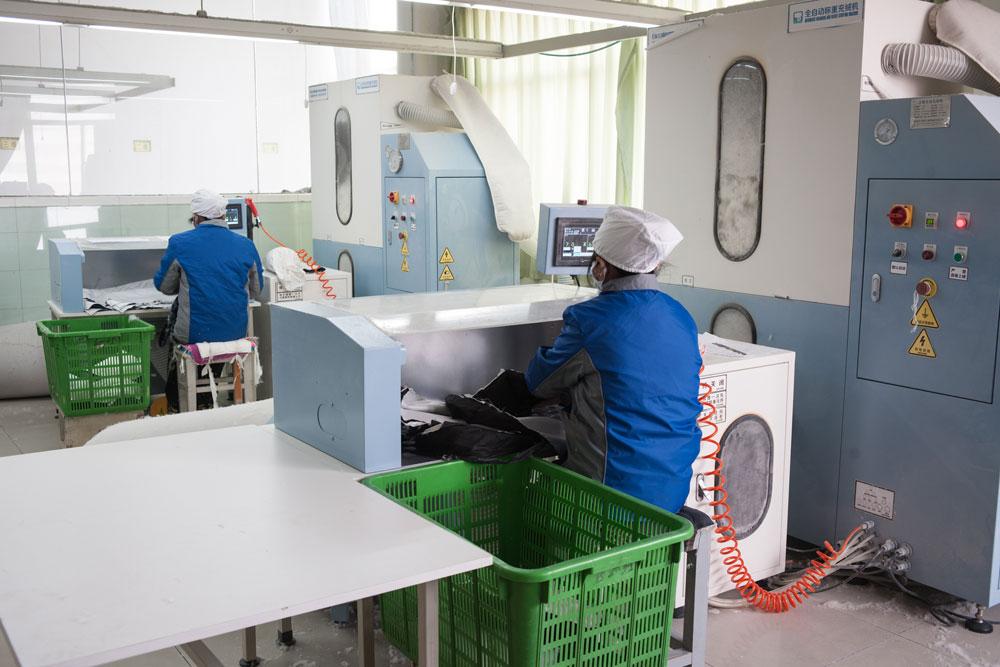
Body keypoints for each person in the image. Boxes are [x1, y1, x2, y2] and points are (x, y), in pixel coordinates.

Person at [525, 205, 702, 513]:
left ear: (600, 267)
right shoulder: (681, 316)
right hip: (671, 495)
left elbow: (538, 383)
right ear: (657, 265)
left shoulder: (590, 320)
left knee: (531, 490)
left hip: (610, 499)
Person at [155, 189, 263, 411]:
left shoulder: (180, 243)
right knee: (216, 345)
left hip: (194, 335)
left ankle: (179, 402)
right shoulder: (246, 245)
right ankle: (206, 399)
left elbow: (164, 286)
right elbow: (256, 289)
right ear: (223, 216)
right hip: (234, 333)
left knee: (176, 340)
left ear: (196, 217)